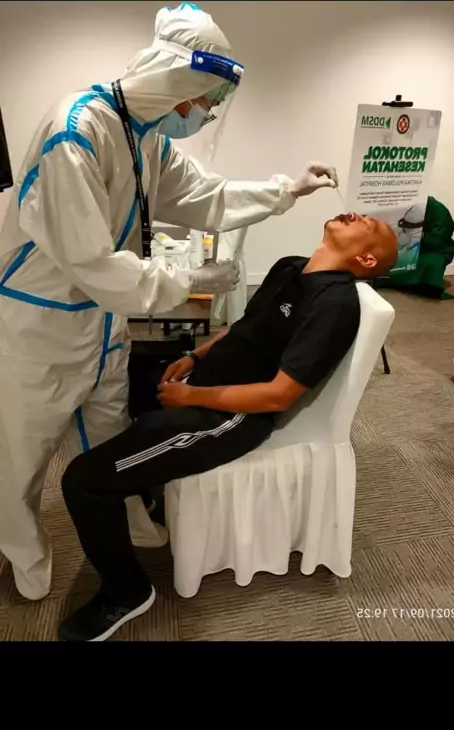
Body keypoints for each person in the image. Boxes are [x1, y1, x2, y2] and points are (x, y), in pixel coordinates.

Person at [0, 2, 340, 602]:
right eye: (207, 98)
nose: (209, 112)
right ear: (175, 80)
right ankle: (23, 554)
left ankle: (130, 521)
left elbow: (206, 196)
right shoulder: (74, 133)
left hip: (103, 324)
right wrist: (189, 279)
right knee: (20, 455)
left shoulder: (144, 138)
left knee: (109, 431)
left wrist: (287, 190)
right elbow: (93, 263)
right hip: (41, 325)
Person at [58, 211, 398, 641]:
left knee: (83, 481)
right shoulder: (290, 266)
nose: (356, 215)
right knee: (103, 384)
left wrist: (191, 398)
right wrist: (194, 358)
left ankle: (127, 591)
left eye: (368, 225)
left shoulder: (335, 305)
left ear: (366, 260)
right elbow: (242, 329)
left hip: (233, 417)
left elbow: (278, 395)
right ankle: (144, 497)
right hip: (204, 381)